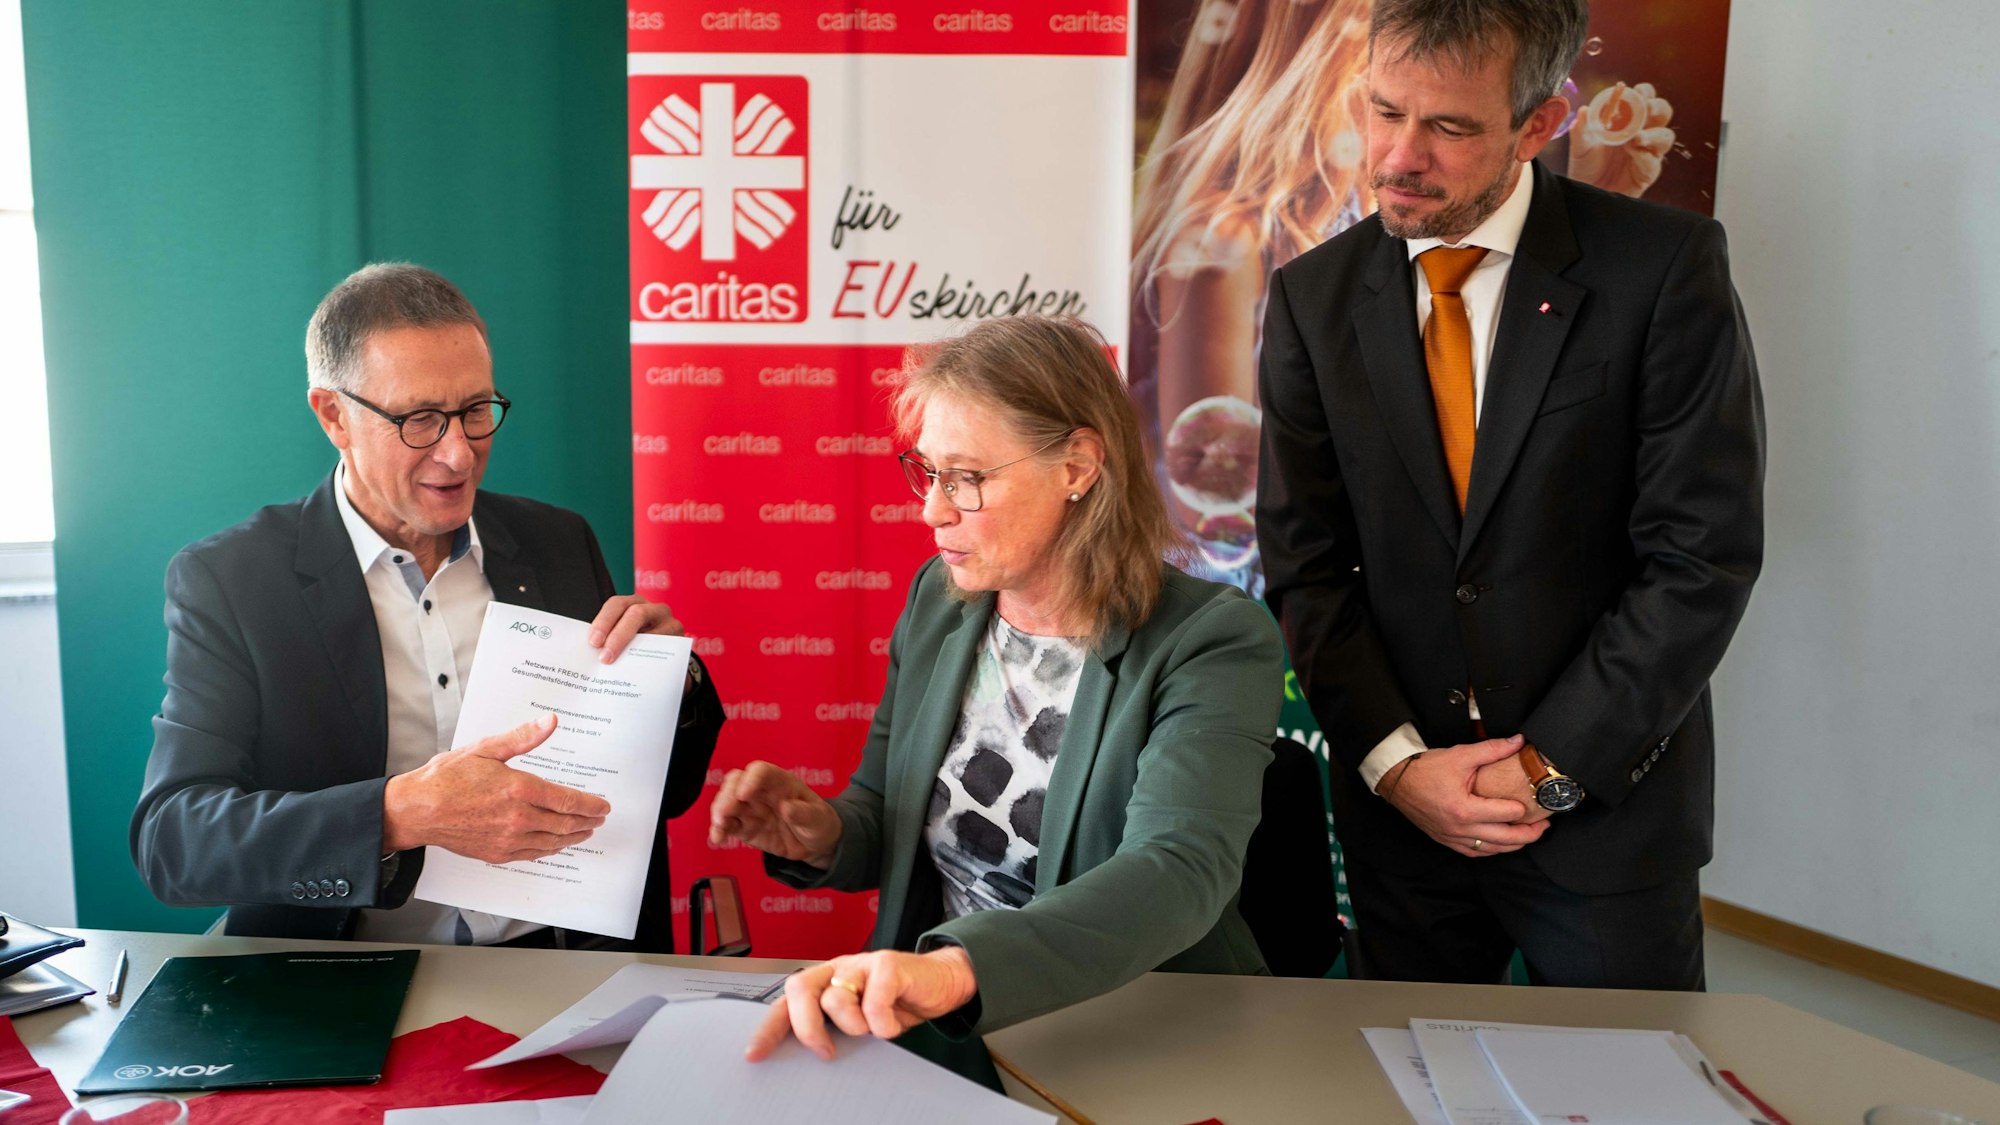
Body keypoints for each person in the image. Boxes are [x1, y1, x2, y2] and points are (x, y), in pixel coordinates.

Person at [1257, 0, 1763, 990]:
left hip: (1605, 824)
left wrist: (1542, 770)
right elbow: (1305, 566)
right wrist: (1397, 767)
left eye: (1447, 127)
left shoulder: (1661, 270)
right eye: (1383, 110)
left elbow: (1697, 558)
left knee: (1633, 1091)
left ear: (1539, 124)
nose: (1398, 157)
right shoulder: (1311, 299)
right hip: (1400, 824)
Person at [708, 315, 1283, 1069]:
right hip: (948, 1026)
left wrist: (956, 967)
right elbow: (886, 814)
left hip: (1133, 1033)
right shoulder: (941, 601)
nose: (932, 510)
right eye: (929, 472)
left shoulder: (1211, 639)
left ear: (1077, 466)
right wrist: (824, 833)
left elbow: (1177, 868)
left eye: (966, 478)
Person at [132, 263, 722, 951]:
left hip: (564, 962)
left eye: (476, 410)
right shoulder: (232, 580)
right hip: (347, 975)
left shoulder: (559, 541)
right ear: (333, 415)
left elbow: (664, 795)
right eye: (420, 419)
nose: (459, 452)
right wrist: (397, 813)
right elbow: (174, 838)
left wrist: (671, 685)